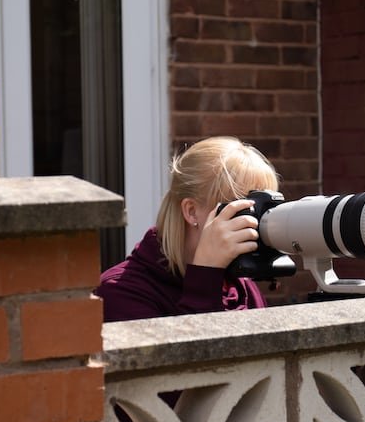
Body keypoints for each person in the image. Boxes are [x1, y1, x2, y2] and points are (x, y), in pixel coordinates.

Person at [95, 136, 279, 322]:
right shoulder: (120, 291)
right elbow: (198, 350)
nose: (252, 223)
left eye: (261, 211)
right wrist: (206, 274)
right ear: (191, 211)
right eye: (242, 210)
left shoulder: (241, 285)